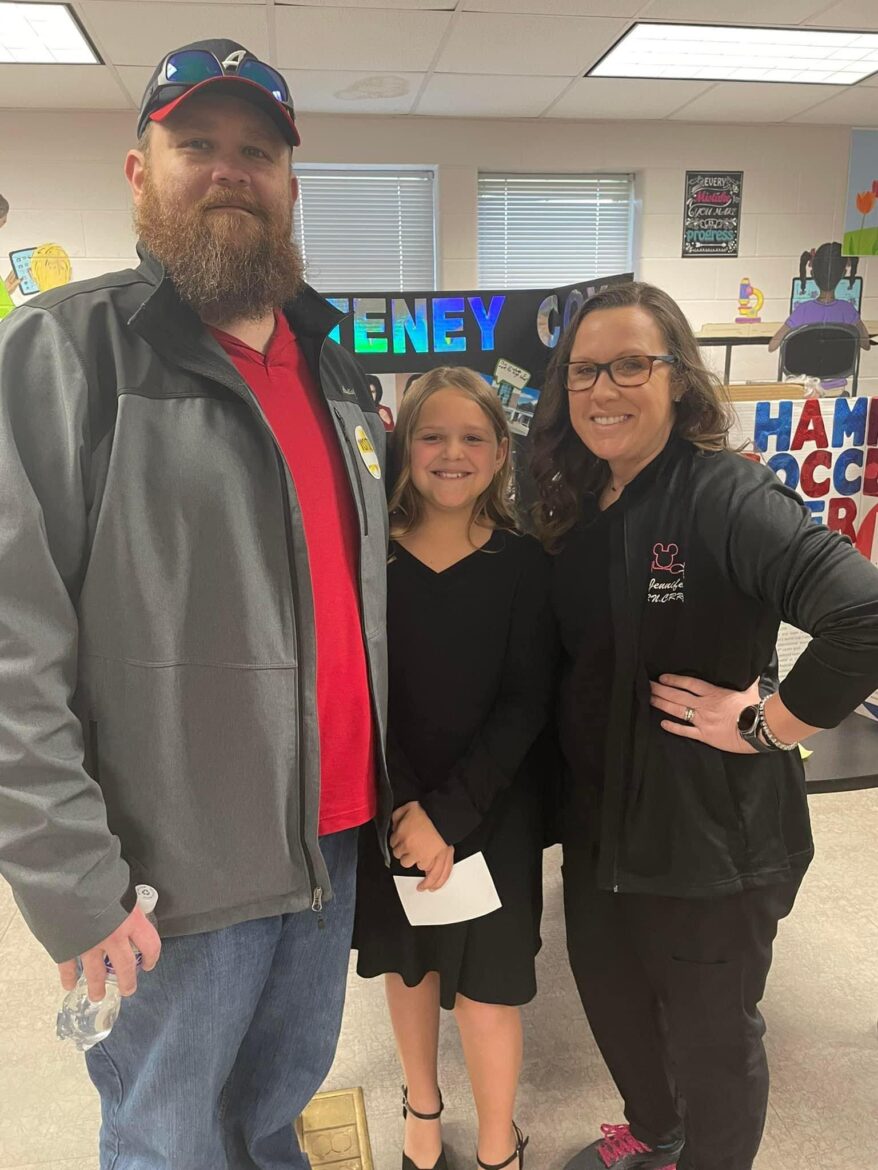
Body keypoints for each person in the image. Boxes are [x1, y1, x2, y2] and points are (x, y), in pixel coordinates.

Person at [0, 38, 392, 1169]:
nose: (230, 171)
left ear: (290, 186)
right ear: (140, 173)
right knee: (168, 1142)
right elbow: (13, 652)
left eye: (257, 152)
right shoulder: (60, 356)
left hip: (330, 843)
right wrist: (74, 884)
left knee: (272, 1118)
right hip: (168, 878)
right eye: (198, 145)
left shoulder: (335, 372)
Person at [530, 281, 878, 1170]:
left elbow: (865, 615)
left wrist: (769, 722)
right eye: (583, 371)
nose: (602, 390)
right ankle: (656, 1132)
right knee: (613, 1004)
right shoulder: (578, 502)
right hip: (602, 838)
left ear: (679, 377)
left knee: (713, 1044)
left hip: (711, 845)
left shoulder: (727, 496)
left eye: (630, 365)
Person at [353, 367, 555, 1170]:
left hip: (494, 807)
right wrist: (408, 808)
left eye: (473, 437)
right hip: (396, 806)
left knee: (487, 989)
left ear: (502, 453)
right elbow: (365, 695)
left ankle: (499, 1139)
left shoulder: (526, 565)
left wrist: (449, 815)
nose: (452, 452)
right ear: (404, 446)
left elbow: (527, 702)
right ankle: (422, 1113)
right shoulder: (371, 563)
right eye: (432, 435)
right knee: (412, 970)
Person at [768, 241, 870, 396]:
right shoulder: (848, 311)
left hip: (806, 390)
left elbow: (773, 345)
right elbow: (865, 344)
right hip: (836, 391)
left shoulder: (802, 310)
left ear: (812, 273)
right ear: (843, 274)